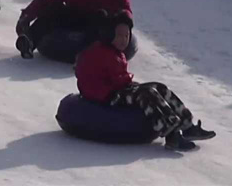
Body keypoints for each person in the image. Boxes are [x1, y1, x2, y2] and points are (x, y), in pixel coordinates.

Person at [74, 11, 216, 151]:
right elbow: (113, 80)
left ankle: (187, 126)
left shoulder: (114, 52)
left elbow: (119, 80)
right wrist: (130, 83)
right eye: (119, 35)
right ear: (109, 34)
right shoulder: (102, 53)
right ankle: (172, 135)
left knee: (159, 87)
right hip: (105, 96)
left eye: (127, 35)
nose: (124, 40)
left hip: (114, 90)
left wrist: (128, 83)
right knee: (147, 93)